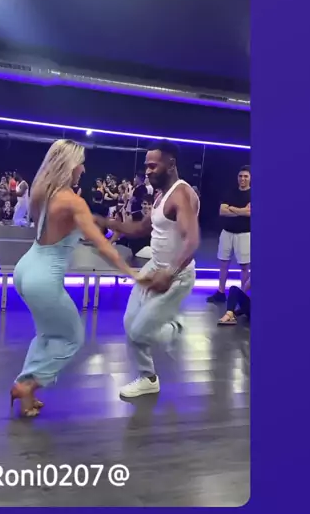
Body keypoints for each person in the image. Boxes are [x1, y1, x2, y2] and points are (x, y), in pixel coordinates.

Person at [10, 140, 147, 417]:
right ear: (70, 165)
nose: (83, 170)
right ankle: (27, 386)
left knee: (47, 335)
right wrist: (132, 272)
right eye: (81, 164)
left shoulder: (41, 191)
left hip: (25, 268)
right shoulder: (73, 202)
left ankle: (25, 390)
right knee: (72, 337)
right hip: (44, 278)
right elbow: (102, 245)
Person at [99, 141, 200, 399]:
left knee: (139, 332)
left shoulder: (181, 195)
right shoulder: (160, 196)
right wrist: (105, 223)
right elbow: (141, 228)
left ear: (171, 164)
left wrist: (169, 272)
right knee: (129, 324)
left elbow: (191, 240)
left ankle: (176, 327)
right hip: (153, 267)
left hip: (176, 275)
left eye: (153, 165)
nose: (147, 171)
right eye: (146, 166)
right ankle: (148, 378)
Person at [207, 166, 251, 303]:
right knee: (223, 263)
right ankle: (221, 292)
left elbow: (250, 213)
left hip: (244, 234)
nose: (242, 179)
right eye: (240, 176)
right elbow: (222, 211)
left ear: (250, 178)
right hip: (227, 232)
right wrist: (241, 211)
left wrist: (231, 208)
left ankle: (242, 295)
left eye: (245, 176)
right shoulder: (230, 192)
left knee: (244, 266)